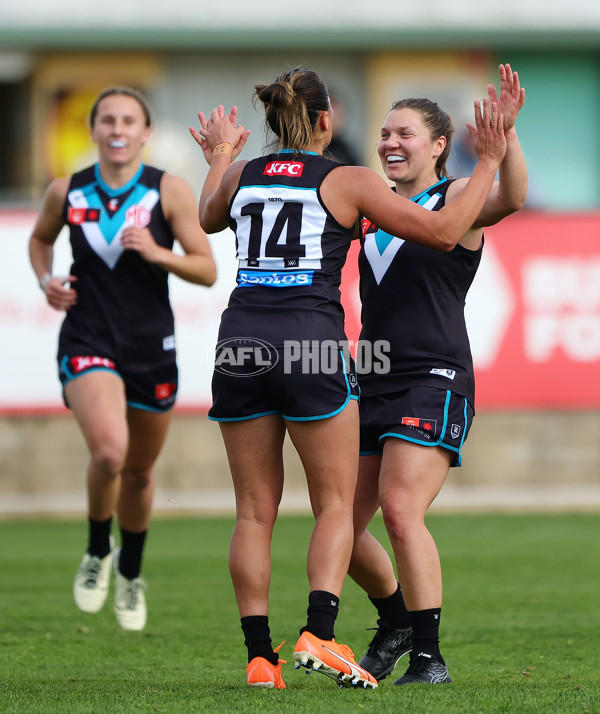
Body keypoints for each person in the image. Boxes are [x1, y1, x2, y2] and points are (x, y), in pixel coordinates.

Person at [189, 66, 506, 689]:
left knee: (253, 512)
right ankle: (321, 632)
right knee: (337, 503)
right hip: (308, 344)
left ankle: (260, 659)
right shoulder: (349, 178)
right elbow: (443, 231)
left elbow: (205, 217)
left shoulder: (243, 175)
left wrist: (223, 153)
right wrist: (489, 160)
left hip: (238, 345)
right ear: (328, 121)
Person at [348, 64, 527, 685]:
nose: (390, 144)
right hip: (369, 374)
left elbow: (512, 198)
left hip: (434, 373)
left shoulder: (456, 197)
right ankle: (394, 621)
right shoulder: (373, 202)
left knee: (400, 510)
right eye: (385, 134)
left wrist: (504, 139)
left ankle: (429, 657)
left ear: (438, 145)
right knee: (338, 530)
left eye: (405, 134)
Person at [29, 86, 217, 631]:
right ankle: (96, 552)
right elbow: (40, 242)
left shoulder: (169, 191)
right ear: (93, 130)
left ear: (144, 132)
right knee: (110, 452)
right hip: (87, 337)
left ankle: (131, 574)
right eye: (107, 119)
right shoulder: (67, 190)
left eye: (128, 120)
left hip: (150, 346)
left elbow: (206, 269)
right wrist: (46, 280)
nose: (117, 128)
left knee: (137, 472)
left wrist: (157, 252)